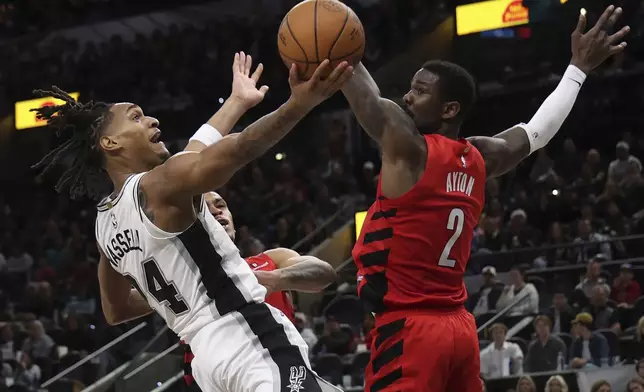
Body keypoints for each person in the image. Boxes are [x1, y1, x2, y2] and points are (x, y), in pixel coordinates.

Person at [33, 51, 353, 392]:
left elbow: (117, 309)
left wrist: (237, 102)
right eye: (136, 117)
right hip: (248, 335)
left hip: (205, 360)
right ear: (110, 143)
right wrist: (300, 103)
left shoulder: (104, 226)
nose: (152, 120)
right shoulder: (159, 185)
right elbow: (239, 148)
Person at [346, 6, 629, 391]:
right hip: (459, 328)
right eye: (410, 89)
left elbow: (368, 99)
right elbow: (537, 132)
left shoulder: (410, 150)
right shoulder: (480, 157)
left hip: (410, 329)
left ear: (449, 109)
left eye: (420, 91)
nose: (408, 98)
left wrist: (336, 46)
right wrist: (577, 69)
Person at [182, 191, 338, 388]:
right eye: (203, 209)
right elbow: (130, 303)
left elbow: (324, 272)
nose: (215, 211)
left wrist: (274, 279)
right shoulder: (183, 279)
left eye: (221, 205)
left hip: (278, 374)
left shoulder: (270, 260)